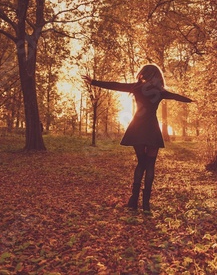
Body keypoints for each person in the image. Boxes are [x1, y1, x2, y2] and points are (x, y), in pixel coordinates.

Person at [82, 64, 193, 212]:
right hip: (152, 129)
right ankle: (146, 205)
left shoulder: (136, 87)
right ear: (157, 76)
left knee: (141, 164)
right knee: (150, 166)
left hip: (138, 128)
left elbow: (116, 85)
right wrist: (191, 100)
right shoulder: (160, 91)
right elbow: (176, 96)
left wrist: (94, 82)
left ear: (143, 74)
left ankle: (133, 202)